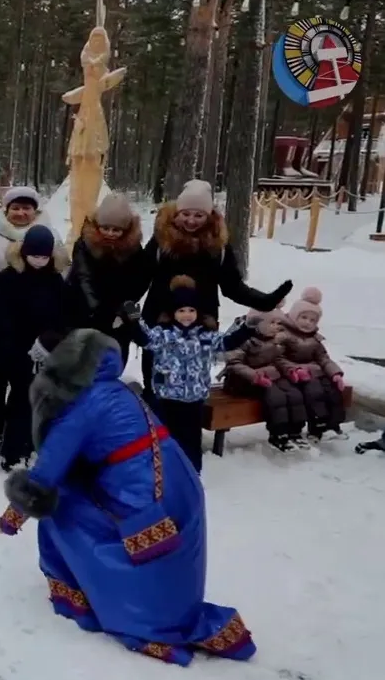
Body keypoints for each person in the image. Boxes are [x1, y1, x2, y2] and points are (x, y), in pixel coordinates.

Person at [0, 329, 256, 668]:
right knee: (172, 562)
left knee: (65, 511)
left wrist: (10, 519)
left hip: (142, 489)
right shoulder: (116, 389)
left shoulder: (80, 406)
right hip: (179, 479)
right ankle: (173, 613)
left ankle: (131, 616)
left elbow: (46, 475)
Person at [138, 179, 291, 395]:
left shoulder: (217, 247)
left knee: (192, 381)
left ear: (209, 216)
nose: (191, 220)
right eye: (186, 214)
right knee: (155, 382)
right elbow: (141, 277)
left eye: (199, 215)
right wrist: (121, 304)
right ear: (176, 213)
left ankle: (188, 424)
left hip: (200, 324)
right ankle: (155, 424)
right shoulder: (162, 241)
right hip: (160, 321)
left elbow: (232, 286)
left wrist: (265, 301)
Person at [120, 276, 254, 473]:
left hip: (194, 398)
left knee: (191, 438)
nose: (186, 315)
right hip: (167, 396)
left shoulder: (205, 336)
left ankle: (191, 471)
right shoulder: (164, 334)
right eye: (181, 310)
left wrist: (246, 329)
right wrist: (133, 321)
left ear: (198, 312)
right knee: (166, 436)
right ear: (173, 313)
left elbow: (227, 342)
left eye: (191, 310)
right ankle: (165, 471)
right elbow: (144, 338)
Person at [0, 186, 69, 445]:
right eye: (16, 208)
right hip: (0, 314)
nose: (21, 212)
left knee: (26, 380)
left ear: (34, 211)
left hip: (35, 322)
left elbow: (61, 266)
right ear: (7, 210)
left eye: (26, 208)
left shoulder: (51, 235)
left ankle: (22, 428)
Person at [0, 225, 68, 471]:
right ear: (24, 253)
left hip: (45, 350)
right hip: (16, 349)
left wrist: (50, 342)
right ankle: (11, 451)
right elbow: (1, 317)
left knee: (42, 402)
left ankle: (32, 446)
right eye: (34, 256)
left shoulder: (54, 279)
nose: (39, 261)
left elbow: (61, 315)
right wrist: (11, 351)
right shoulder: (9, 277)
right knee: (20, 399)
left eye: (44, 257)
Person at [67, 193, 148, 362]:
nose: (110, 233)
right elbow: (83, 277)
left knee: (115, 359)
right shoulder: (85, 245)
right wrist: (97, 310)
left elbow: (139, 280)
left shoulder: (134, 250)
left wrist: (123, 307)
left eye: (116, 230)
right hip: (87, 311)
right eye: (105, 228)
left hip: (118, 314)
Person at [222, 309, 308, 452]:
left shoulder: (274, 341)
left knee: (294, 392)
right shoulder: (244, 340)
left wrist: (292, 370)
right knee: (276, 395)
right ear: (258, 325)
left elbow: (279, 360)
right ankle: (278, 434)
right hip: (241, 382)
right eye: (272, 323)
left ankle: (295, 432)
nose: (276, 326)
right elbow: (233, 363)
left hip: (267, 377)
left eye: (278, 323)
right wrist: (254, 376)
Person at [276, 287, 347, 441]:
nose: (308, 323)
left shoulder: (314, 338)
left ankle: (333, 425)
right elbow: (278, 358)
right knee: (314, 390)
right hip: (293, 375)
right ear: (294, 315)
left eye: (312, 320)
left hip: (312, 372)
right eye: (304, 317)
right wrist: (296, 369)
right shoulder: (284, 334)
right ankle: (318, 426)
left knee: (332, 389)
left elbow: (323, 357)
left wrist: (335, 373)